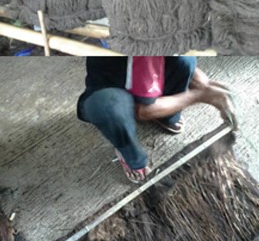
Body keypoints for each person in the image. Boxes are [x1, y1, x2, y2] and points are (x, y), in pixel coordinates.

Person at [77, 57, 236, 184]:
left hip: (143, 64)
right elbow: (142, 111)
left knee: (185, 61)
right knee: (109, 107)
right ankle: (131, 156)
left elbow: (183, 61)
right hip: (112, 86)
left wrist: (206, 86)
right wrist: (198, 96)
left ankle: (165, 115)